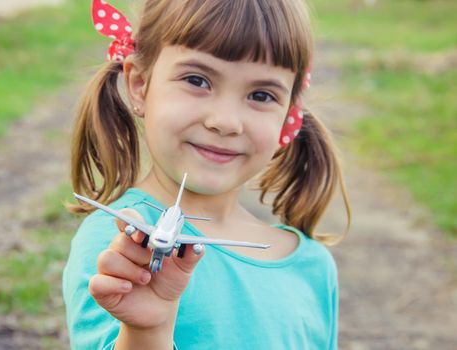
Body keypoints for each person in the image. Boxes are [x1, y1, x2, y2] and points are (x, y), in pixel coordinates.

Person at [63, 0, 351, 349]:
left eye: (261, 95)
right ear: (140, 85)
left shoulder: (314, 267)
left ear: (288, 117)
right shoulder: (124, 239)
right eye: (197, 80)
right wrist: (147, 332)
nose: (225, 121)